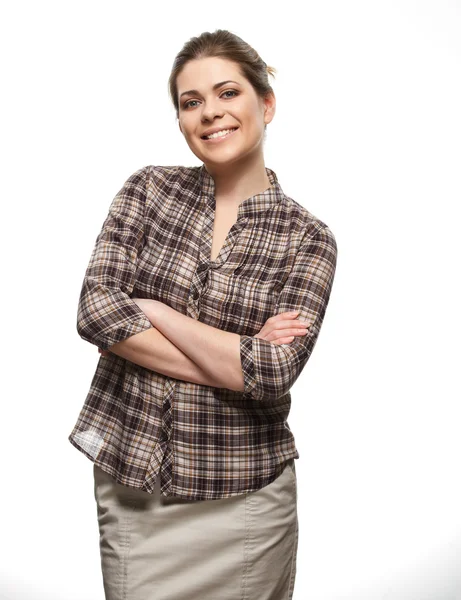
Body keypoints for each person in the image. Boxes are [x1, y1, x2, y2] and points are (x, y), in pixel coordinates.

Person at [68, 29, 338, 600]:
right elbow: (96, 313)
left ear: (265, 104)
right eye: (191, 102)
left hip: (247, 505)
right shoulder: (147, 191)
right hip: (135, 489)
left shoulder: (308, 239)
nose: (209, 113)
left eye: (227, 93)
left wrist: (155, 311)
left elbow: (271, 374)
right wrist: (233, 358)